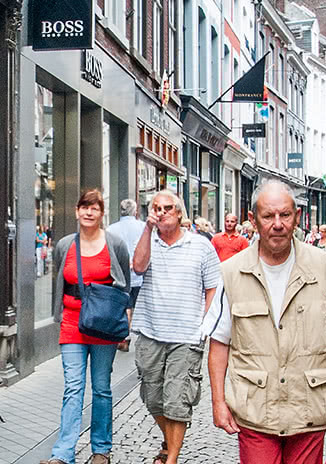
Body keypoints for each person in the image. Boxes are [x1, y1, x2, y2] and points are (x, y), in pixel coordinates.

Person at [205, 180, 326, 464]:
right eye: (268, 216)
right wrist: (218, 402)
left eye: (285, 215)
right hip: (255, 411)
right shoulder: (231, 272)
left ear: (296, 217)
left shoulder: (324, 267)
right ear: (253, 220)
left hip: (309, 407)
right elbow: (219, 342)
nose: (278, 224)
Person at [129, 191, 223, 464]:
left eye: (168, 208)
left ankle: (171, 459)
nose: (161, 212)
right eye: (156, 208)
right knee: (153, 399)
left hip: (186, 336)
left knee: (177, 402)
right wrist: (147, 229)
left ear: (180, 213)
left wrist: (204, 325)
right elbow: (138, 266)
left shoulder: (200, 245)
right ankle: (169, 443)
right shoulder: (148, 241)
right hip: (151, 332)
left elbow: (213, 287)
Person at [45, 189, 135, 464]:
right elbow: (58, 281)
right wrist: (57, 314)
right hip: (72, 324)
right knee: (73, 387)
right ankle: (63, 453)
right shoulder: (64, 245)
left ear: (101, 213)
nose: (88, 212)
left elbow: (125, 284)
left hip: (103, 326)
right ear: (76, 211)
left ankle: (101, 449)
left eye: (94, 208)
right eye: (84, 207)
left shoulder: (114, 243)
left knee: (101, 387)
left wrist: (125, 320)